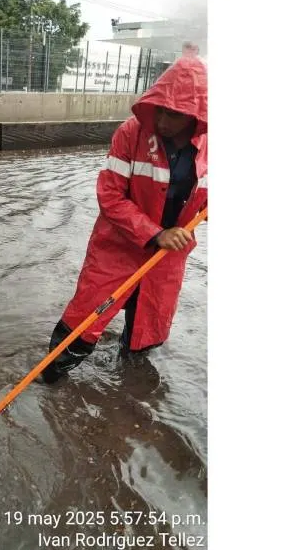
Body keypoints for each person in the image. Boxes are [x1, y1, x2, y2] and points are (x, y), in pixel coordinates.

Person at [40, 55, 208, 384]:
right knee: (82, 324)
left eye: (173, 114)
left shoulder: (211, 148)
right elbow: (110, 196)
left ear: (194, 116)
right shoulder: (130, 134)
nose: (162, 120)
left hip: (166, 261)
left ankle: (126, 395)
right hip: (117, 248)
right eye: (159, 109)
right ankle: (49, 380)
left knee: (145, 335)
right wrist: (155, 233)